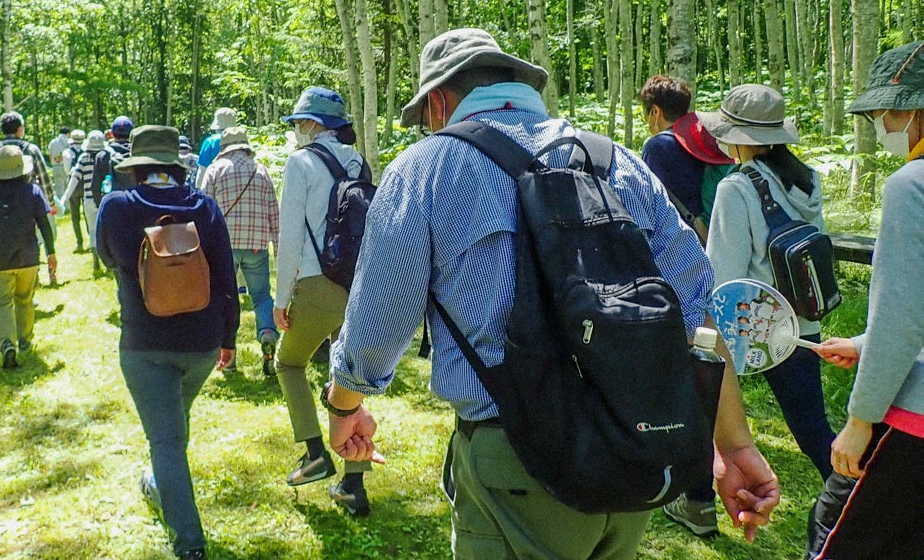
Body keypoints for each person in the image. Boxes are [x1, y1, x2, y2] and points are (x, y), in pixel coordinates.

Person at [324, 28, 779, 558]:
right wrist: (735, 444)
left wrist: (344, 405)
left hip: (516, 460)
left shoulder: (427, 169)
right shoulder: (618, 163)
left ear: (440, 101)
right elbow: (695, 312)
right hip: (630, 448)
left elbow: (380, 322)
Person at [96, 125, 238, 560]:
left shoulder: (116, 208)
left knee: (167, 440)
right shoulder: (206, 208)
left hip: (145, 345)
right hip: (202, 345)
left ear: (137, 169)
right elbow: (227, 280)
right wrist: (228, 338)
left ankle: (190, 544)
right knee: (173, 423)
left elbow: (106, 258)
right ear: (177, 168)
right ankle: (160, 483)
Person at [807, 39, 924, 560]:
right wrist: (862, 341)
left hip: (912, 418)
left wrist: (859, 421)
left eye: (886, 112)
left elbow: (902, 317)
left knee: (836, 531)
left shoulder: (911, 185)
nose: (882, 124)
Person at [698, 84, 837, 486]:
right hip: (801, 322)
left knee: (706, 412)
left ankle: (699, 499)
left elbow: (722, 277)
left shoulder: (736, 187)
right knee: (813, 427)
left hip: (752, 328)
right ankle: (852, 492)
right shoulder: (804, 179)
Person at [638, 74, 736, 536]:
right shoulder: (710, 140)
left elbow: (645, 213)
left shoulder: (658, 146)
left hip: (675, 275)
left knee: (683, 386)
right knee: (707, 379)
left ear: (656, 111)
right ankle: (700, 492)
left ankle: (695, 496)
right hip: (720, 266)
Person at [273, 87, 373, 516]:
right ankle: (353, 485)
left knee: (288, 364)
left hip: (316, 284)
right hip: (357, 284)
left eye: (298, 123)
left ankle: (315, 452)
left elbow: (290, 236)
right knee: (347, 379)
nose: (296, 132)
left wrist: (281, 299)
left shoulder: (300, 163)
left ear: (313, 125)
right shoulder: (358, 161)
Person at [0, 144, 56, 369]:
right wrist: (51, 252)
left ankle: (7, 343)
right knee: (24, 298)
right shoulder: (33, 191)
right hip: (28, 257)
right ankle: (25, 340)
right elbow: (44, 224)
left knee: (2, 302)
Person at [201, 126, 280, 376]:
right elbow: (274, 214)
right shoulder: (261, 170)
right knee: (261, 296)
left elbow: (204, 209)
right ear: (245, 146)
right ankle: (267, 333)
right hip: (257, 245)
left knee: (225, 299)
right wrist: (278, 248)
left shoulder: (215, 170)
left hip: (224, 246)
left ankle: (229, 358)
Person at [640, 75, 736, 244]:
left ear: (655, 111)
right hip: (722, 233)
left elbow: (648, 205)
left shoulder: (657, 146)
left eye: (645, 114)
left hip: (683, 245)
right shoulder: (705, 136)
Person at [0, 111, 58, 287]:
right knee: (32, 241)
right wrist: (50, 202)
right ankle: (31, 279)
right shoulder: (31, 149)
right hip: (28, 204)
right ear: (20, 129)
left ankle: (10, 284)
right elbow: (44, 178)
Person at [68, 130, 107, 275]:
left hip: (89, 199)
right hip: (105, 199)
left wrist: (63, 199)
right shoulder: (107, 157)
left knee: (92, 231)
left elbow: (75, 178)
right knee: (106, 231)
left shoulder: (83, 158)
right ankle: (108, 262)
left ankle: (96, 263)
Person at [93, 116, 135, 205]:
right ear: (132, 133)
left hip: (112, 204)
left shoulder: (102, 155)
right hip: (135, 203)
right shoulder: (138, 153)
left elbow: (95, 186)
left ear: (111, 134)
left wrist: (100, 206)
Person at [195, 107, 237, 186]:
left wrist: (198, 191)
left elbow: (202, 170)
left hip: (215, 187)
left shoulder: (210, 142)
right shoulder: (241, 140)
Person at [64, 129, 87, 252]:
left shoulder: (67, 153)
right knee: (88, 214)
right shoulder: (87, 152)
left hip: (73, 184)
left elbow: (67, 171)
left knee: (75, 216)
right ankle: (92, 241)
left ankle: (79, 243)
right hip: (85, 183)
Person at [47, 125, 74, 203]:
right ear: (68, 133)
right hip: (67, 166)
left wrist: (53, 163)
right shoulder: (69, 141)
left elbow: (50, 154)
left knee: (59, 188)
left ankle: (60, 208)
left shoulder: (53, 142)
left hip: (56, 167)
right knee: (68, 188)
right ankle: (68, 207)